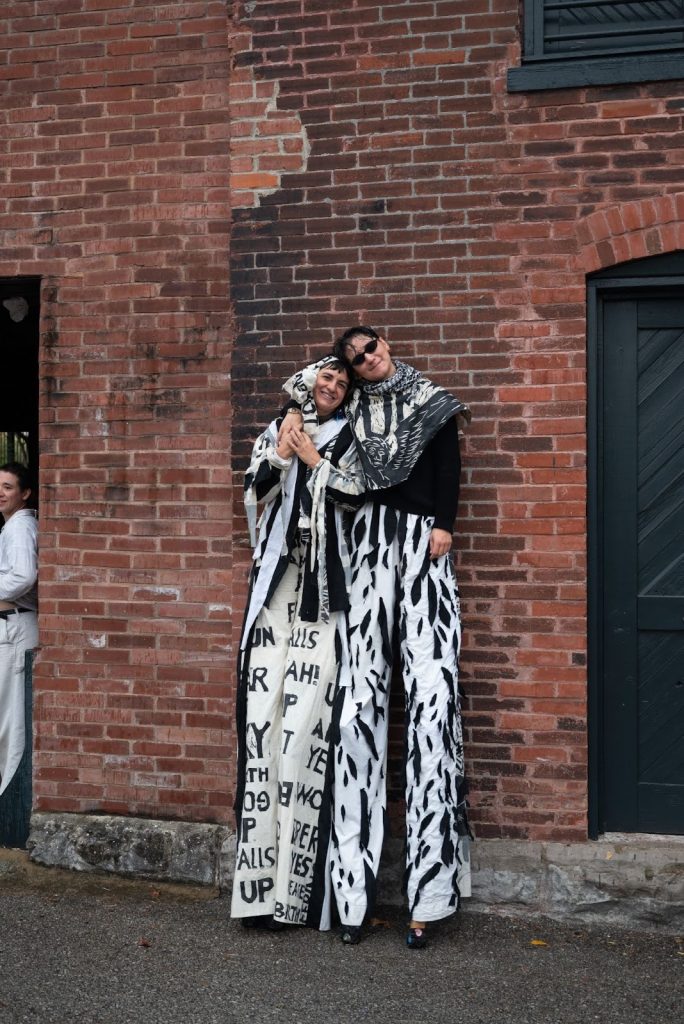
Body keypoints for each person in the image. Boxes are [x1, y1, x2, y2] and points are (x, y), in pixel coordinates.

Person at [280, 327, 471, 949]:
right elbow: (304, 388)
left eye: (370, 348)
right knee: (359, 705)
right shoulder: (353, 403)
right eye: (354, 358)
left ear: (385, 343)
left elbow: (448, 465)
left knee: (432, 703)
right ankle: (351, 900)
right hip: (365, 543)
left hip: (422, 542)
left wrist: (445, 525)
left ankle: (430, 899)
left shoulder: (430, 400)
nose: (366, 359)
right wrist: (291, 409)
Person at [231, 356, 365, 931]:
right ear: (309, 384)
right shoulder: (280, 427)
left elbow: (356, 497)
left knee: (306, 730)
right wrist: (285, 450)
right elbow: (254, 491)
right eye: (325, 378)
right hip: (274, 588)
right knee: (261, 724)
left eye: (341, 381)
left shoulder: (354, 437)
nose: (331, 387)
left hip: (323, 595)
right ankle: (255, 893)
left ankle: (296, 896)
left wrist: (313, 459)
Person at [0, 462, 39, 797]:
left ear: (24, 493)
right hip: (12, 624)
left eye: (8, 486)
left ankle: (8, 797)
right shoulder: (12, 526)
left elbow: (24, 575)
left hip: (15, 626)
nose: (0, 492)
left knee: (10, 720)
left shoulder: (19, 527)